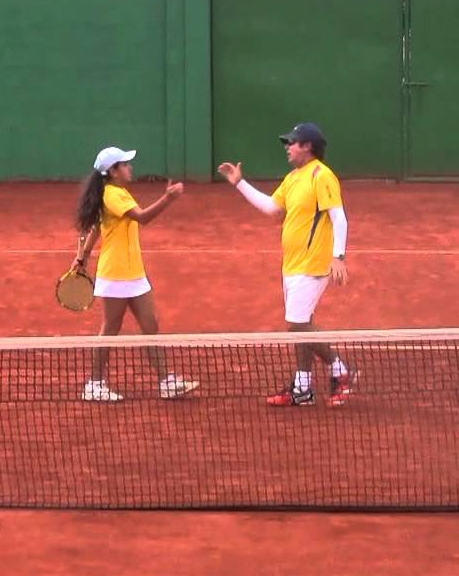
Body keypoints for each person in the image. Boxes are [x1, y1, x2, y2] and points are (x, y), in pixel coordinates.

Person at [218, 122, 356, 407]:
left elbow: (338, 217)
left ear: (307, 146)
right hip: (291, 264)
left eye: (292, 142)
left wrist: (338, 256)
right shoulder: (294, 177)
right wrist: (239, 183)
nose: (287, 147)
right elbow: (273, 209)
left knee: (296, 324)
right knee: (301, 323)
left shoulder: (322, 175)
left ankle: (340, 371)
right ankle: (303, 388)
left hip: (313, 263)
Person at [71, 146, 199, 402]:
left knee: (150, 324)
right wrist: (168, 199)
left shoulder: (114, 192)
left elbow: (97, 226)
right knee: (110, 329)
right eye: (125, 165)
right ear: (113, 171)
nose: (130, 168)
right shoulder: (114, 195)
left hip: (133, 272)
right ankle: (94, 384)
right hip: (116, 273)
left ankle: (165, 381)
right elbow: (142, 218)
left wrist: (82, 256)